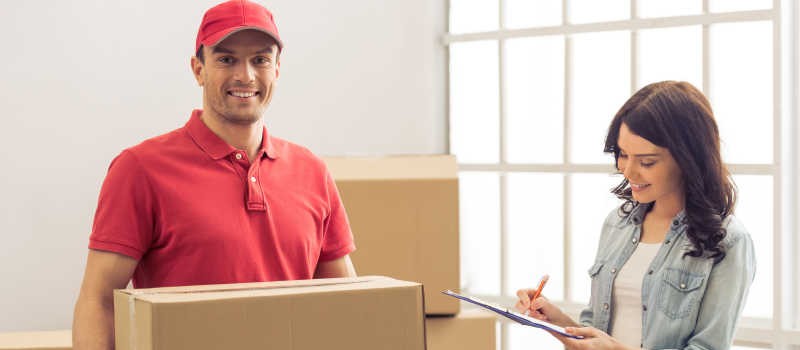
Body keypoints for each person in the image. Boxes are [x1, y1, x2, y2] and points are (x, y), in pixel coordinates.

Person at [72, 1, 357, 348]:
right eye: (226, 59)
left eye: (260, 60)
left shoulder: (312, 171)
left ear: (277, 69)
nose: (246, 76)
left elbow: (345, 302)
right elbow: (98, 301)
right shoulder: (140, 169)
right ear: (198, 69)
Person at [515, 81, 755, 349]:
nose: (628, 171)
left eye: (646, 162)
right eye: (623, 154)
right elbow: (598, 330)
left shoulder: (728, 241)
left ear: (687, 158)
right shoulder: (618, 224)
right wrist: (556, 320)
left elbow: (709, 346)